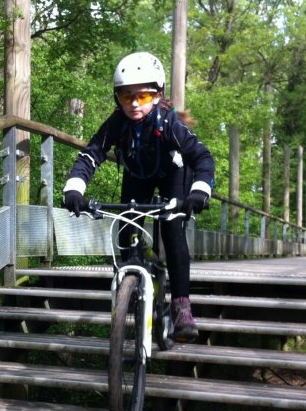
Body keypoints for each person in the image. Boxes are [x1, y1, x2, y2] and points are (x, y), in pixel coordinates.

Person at [63, 51, 215, 340]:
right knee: (125, 230)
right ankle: (131, 289)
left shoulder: (169, 122)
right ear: (117, 98)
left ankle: (182, 305)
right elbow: (91, 154)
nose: (133, 103)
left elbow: (202, 157)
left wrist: (200, 190)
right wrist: (74, 187)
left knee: (172, 231)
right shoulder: (117, 122)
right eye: (125, 96)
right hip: (137, 174)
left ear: (157, 96)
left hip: (173, 174)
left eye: (142, 96)